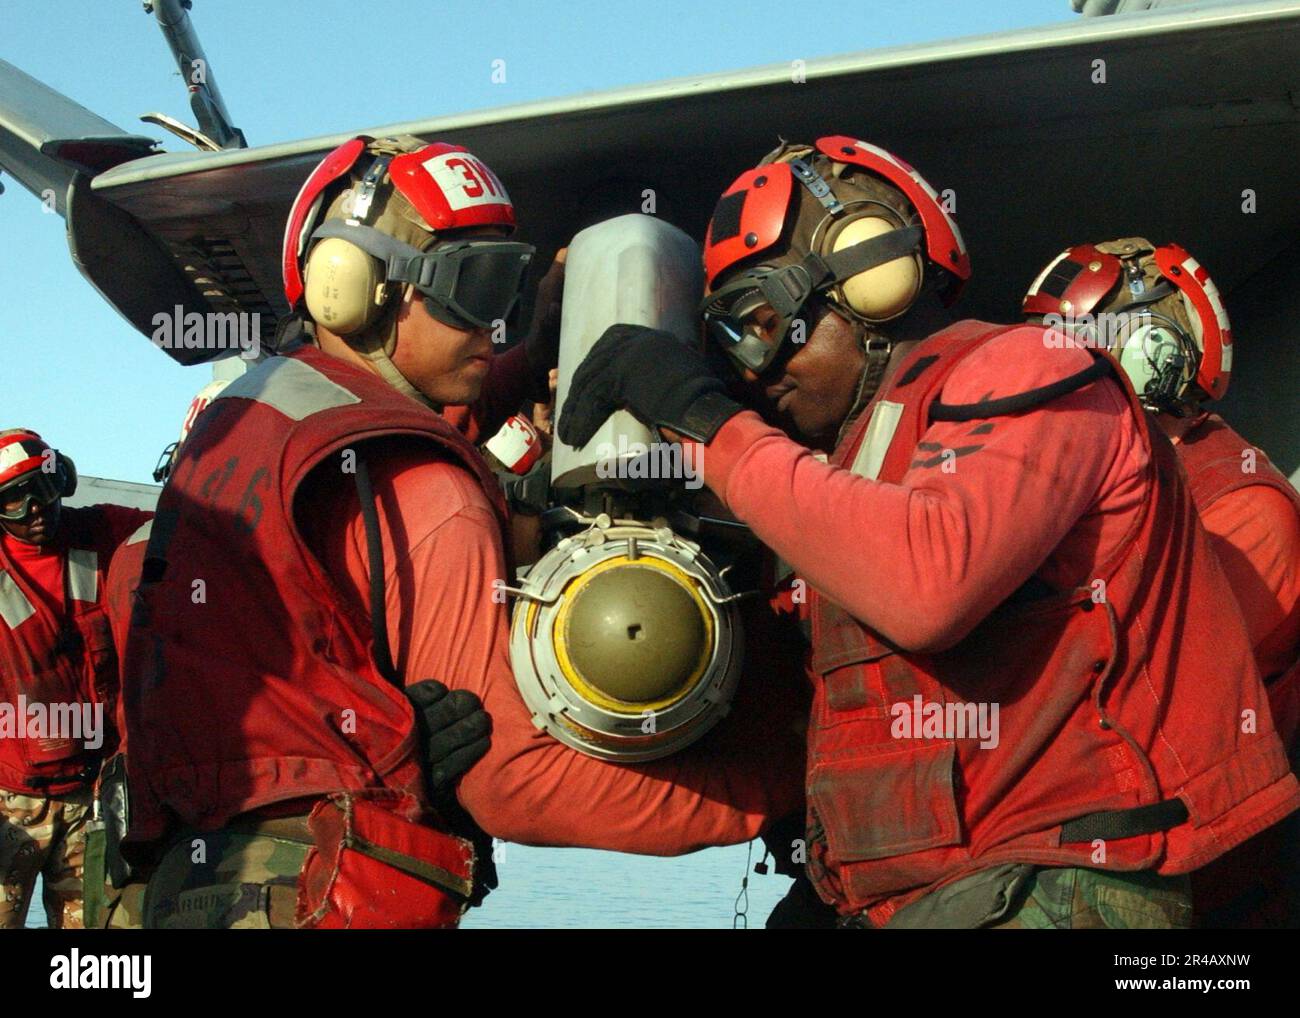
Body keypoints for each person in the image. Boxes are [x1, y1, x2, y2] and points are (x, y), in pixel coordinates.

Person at [560, 135, 1300, 929]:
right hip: (926, 891)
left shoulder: (1031, 370)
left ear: (869, 278)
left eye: (765, 324)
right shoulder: (858, 466)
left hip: (1048, 877)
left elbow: (930, 584)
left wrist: (715, 425)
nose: (753, 372)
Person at [106, 135, 805, 929]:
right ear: (356, 290)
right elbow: (516, 783)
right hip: (311, 887)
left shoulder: (246, 423)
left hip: (191, 877)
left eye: (509, 285)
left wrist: (542, 346)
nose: (494, 323)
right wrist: (781, 783)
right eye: (472, 288)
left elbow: (383, 429)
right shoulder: (426, 485)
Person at [1024, 238, 1300, 926]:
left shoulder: (1244, 510)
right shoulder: (1110, 487)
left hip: (1201, 885)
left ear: (1156, 360)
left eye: (1069, 362)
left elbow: (1141, 686)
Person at [0, 430, 149, 928]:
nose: (34, 509)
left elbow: (189, 524)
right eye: (13, 502)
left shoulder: (102, 529)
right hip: (12, 799)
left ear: (61, 478)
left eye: (41, 489)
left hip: (93, 796)